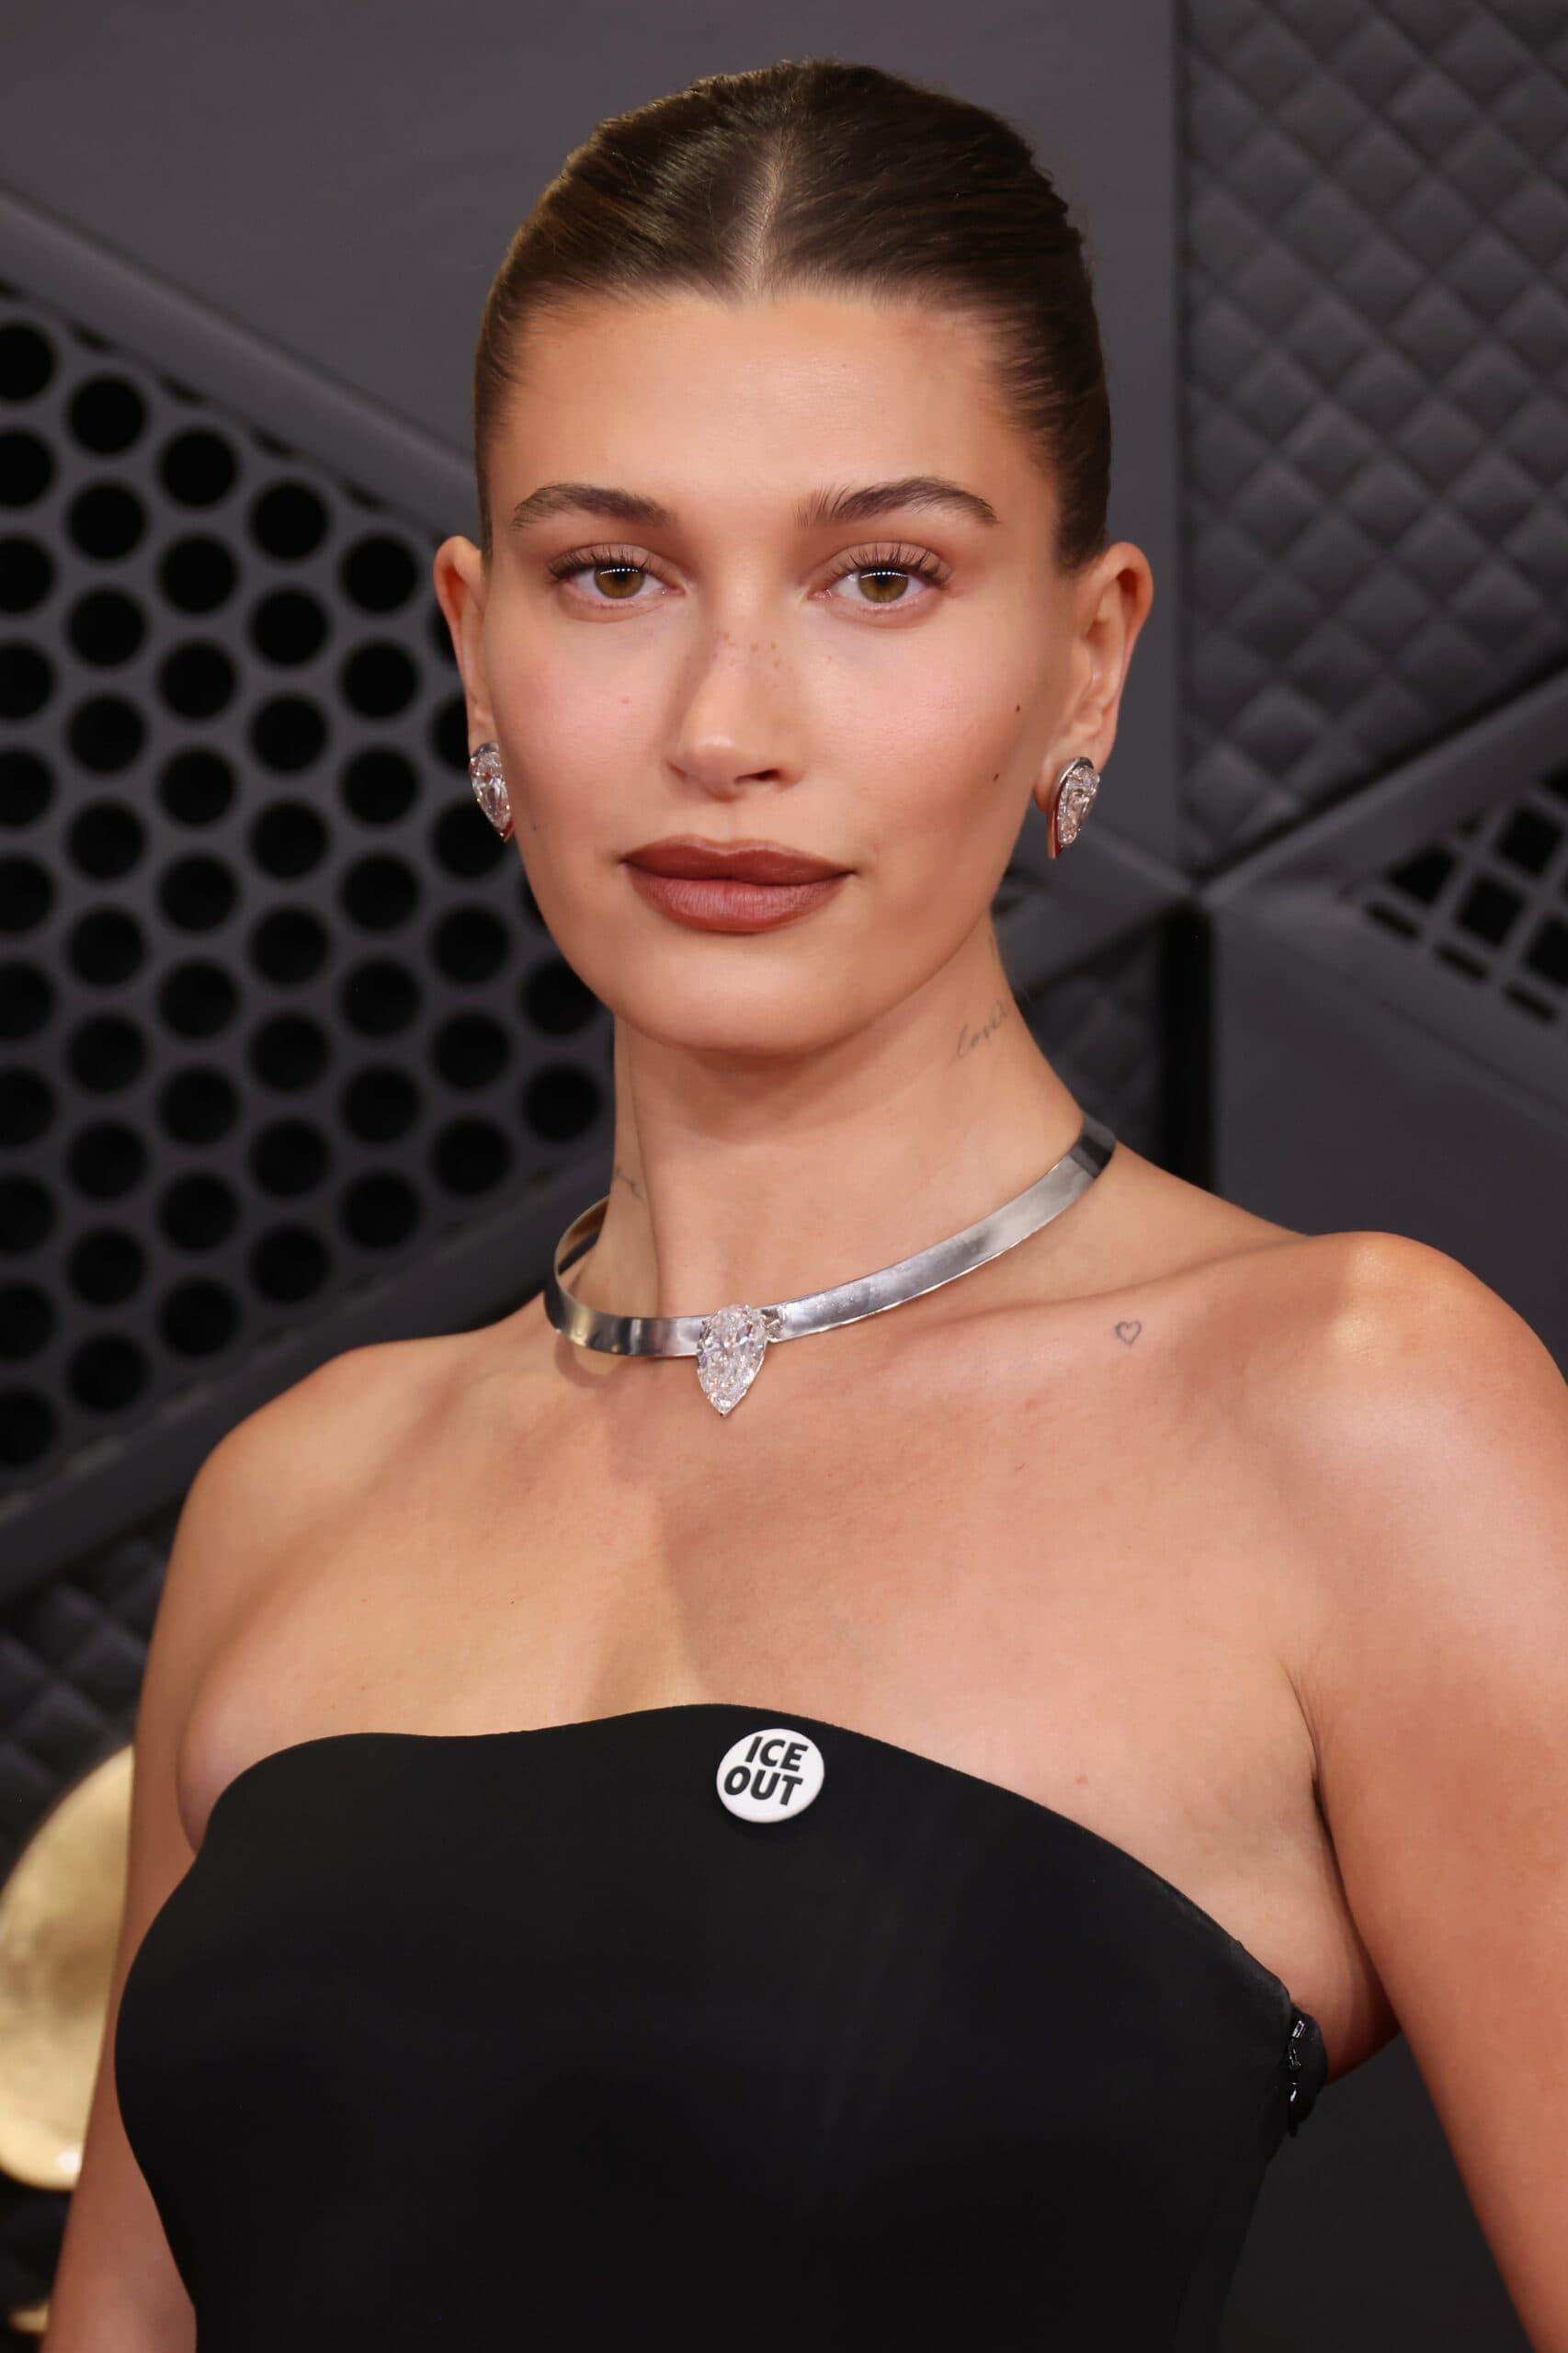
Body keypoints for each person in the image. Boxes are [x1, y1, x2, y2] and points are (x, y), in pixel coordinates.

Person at [50, 56, 1567, 2353]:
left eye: (880, 576)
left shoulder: (1359, 1413)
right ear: (473, 641)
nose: (725, 722)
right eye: (612, 573)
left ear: (1084, 653)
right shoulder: (303, 1490)